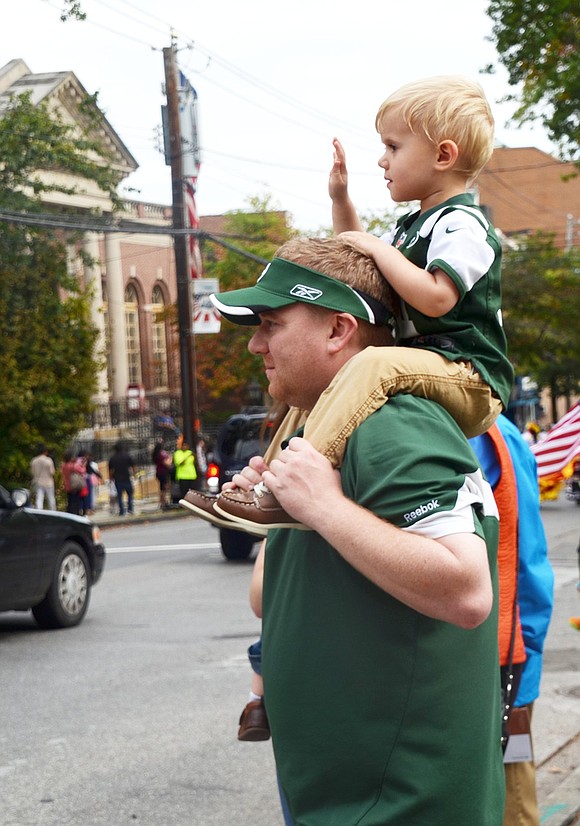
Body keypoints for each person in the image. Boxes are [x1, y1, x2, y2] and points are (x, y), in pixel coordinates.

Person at [198, 236, 505, 824]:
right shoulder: (321, 434)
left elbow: (467, 592)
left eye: (270, 323)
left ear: (339, 330)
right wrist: (277, 504)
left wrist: (325, 509)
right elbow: (265, 599)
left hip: (400, 805)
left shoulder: (394, 422)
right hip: (344, 795)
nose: (254, 343)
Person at [212, 75, 513, 532]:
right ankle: (267, 482)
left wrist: (380, 249)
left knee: (370, 365)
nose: (382, 158)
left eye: (393, 146)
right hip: (427, 364)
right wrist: (341, 199)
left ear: (443, 155)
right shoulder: (414, 225)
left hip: (470, 375)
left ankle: (294, 485)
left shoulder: (462, 225)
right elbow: (356, 261)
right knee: (313, 386)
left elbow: (436, 298)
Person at [470, 415, 554, 826]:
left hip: (500, 655)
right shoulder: (491, 427)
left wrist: (527, 657)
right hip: (500, 651)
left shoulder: (485, 429)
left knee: (511, 802)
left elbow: (525, 553)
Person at [108, 441, 136, 516]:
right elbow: (133, 466)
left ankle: (122, 511)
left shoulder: (113, 458)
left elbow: (111, 470)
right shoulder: (127, 456)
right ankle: (130, 509)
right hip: (127, 478)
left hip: (117, 479)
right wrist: (134, 474)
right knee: (130, 494)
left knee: (119, 496)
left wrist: (111, 479)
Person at [30, 444, 56, 511]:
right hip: (48, 482)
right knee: (51, 498)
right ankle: (52, 512)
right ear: (45, 452)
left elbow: (32, 472)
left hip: (38, 481)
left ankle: (39, 511)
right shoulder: (48, 460)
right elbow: (52, 472)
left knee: (39, 498)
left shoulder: (34, 460)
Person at [61, 449, 86, 515]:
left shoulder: (63, 465)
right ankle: (76, 513)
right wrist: (83, 466)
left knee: (70, 501)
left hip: (67, 484)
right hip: (74, 485)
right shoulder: (73, 465)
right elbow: (82, 471)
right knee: (76, 501)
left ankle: (70, 513)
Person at [152, 439, 172, 509]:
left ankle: (162, 502)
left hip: (159, 472)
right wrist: (170, 458)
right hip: (164, 472)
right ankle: (163, 502)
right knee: (164, 488)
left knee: (162, 488)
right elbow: (167, 463)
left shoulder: (156, 454)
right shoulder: (162, 454)